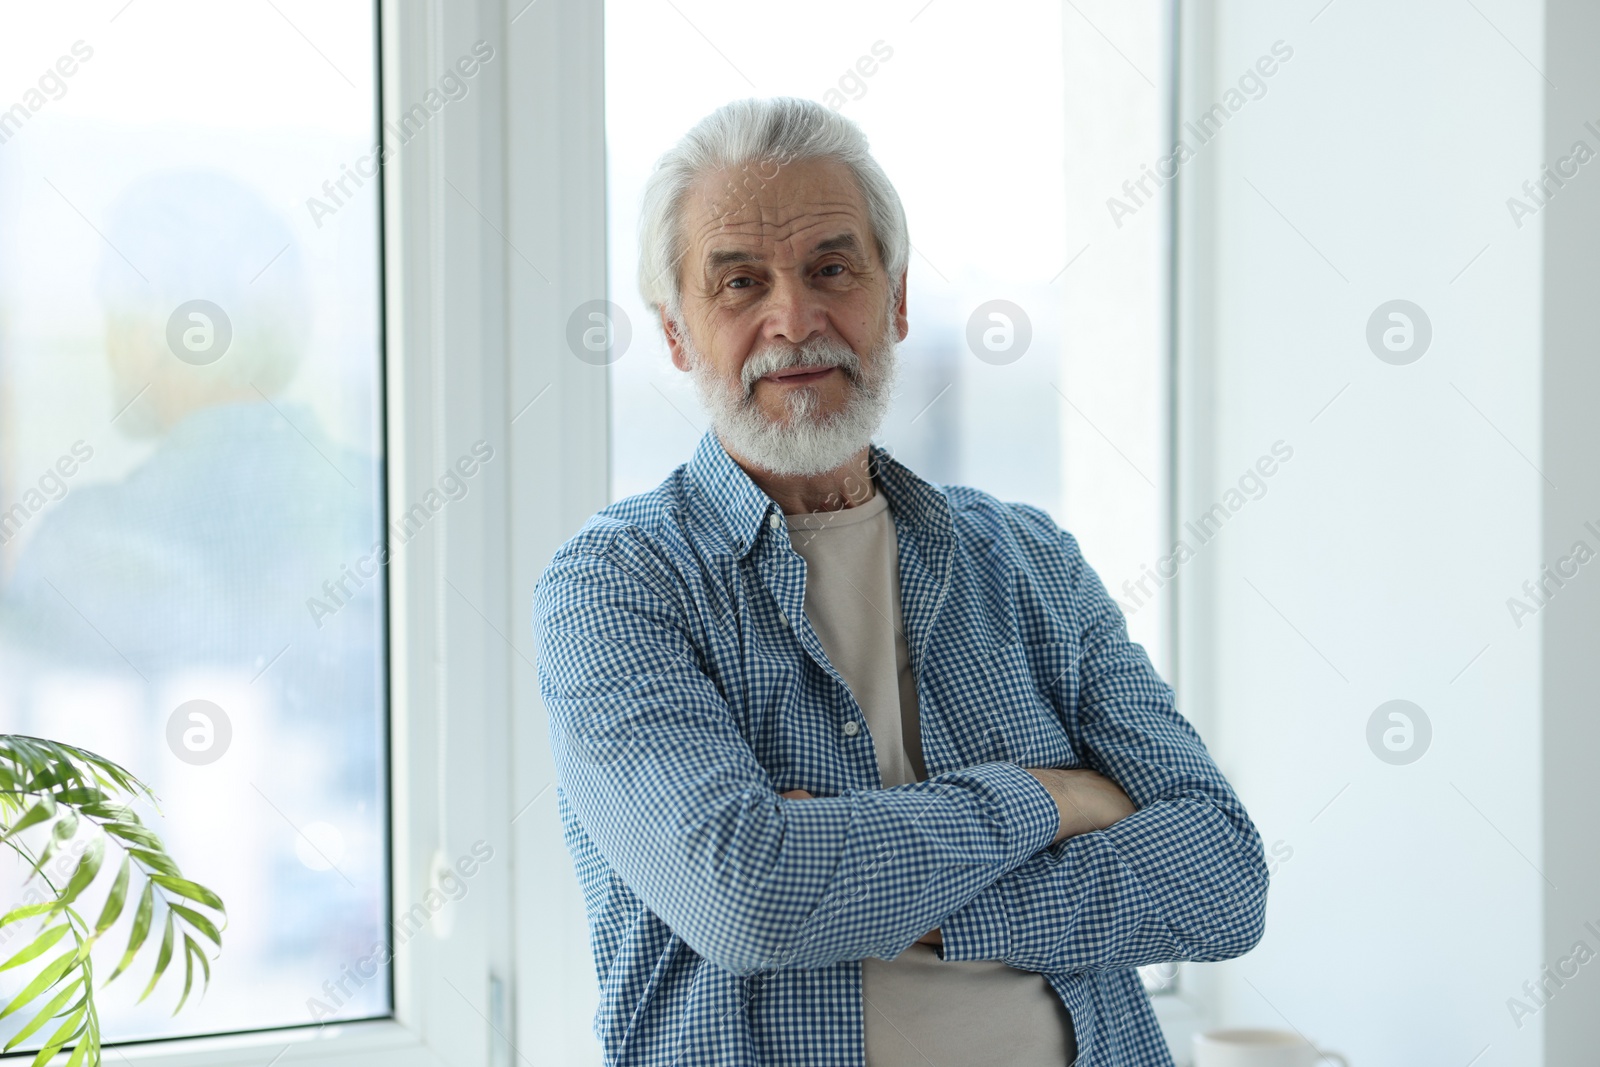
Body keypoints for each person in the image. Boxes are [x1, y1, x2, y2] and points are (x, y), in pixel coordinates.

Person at [534, 97, 1268, 1067]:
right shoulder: (616, 587)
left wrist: (866, 884)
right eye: (740, 282)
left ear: (897, 298)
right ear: (675, 333)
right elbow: (750, 898)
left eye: (831, 269)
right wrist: (1048, 798)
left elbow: (1220, 879)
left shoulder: (1030, 559)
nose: (793, 319)